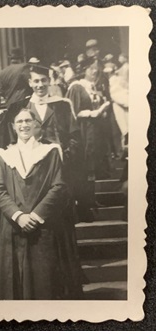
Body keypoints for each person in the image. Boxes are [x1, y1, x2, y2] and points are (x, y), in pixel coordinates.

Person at [0, 108, 83, 300]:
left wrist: (34, 216)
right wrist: (19, 216)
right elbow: (0, 190)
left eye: (28, 120)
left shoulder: (49, 152)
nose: (24, 125)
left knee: (45, 280)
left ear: (36, 124)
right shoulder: (4, 156)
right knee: (15, 280)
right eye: (20, 122)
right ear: (13, 126)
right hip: (14, 226)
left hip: (42, 225)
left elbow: (58, 186)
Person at [66, 57, 111, 221]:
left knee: (92, 166)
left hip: (95, 132)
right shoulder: (76, 87)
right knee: (82, 166)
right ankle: (83, 203)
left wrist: (102, 111)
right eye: (92, 68)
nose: (95, 71)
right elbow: (72, 112)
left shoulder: (95, 87)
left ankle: (91, 199)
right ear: (83, 69)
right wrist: (96, 112)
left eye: (97, 68)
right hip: (82, 132)